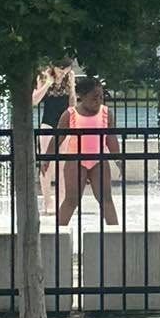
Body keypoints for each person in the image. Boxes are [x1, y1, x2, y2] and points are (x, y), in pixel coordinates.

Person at [54, 74, 122, 228]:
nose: (98, 101)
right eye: (94, 98)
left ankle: (115, 235)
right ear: (82, 97)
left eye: (100, 97)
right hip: (75, 160)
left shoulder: (106, 113)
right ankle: (58, 234)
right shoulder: (70, 114)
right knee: (71, 200)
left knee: (106, 199)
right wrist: (45, 159)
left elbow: (111, 139)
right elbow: (58, 138)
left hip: (99, 159)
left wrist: (118, 160)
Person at [34, 63, 75, 216]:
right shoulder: (43, 77)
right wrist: (48, 84)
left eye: (67, 68)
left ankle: (62, 200)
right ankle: (47, 201)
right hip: (48, 123)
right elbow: (34, 100)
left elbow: (72, 103)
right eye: (62, 68)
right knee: (47, 164)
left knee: (63, 165)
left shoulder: (69, 78)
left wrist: (72, 87)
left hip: (64, 124)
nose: (64, 71)